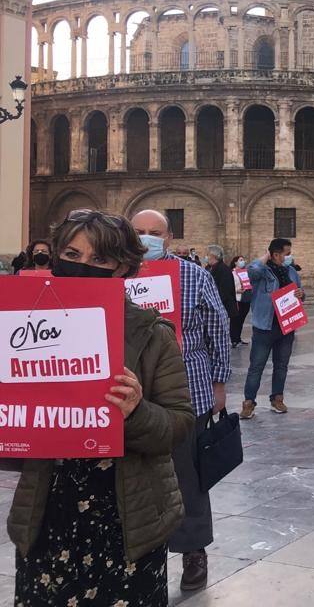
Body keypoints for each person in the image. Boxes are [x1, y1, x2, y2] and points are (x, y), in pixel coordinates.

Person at [9, 209, 194, 606]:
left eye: (99, 260)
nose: (81, 267)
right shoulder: (20, 321)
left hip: (126, 515)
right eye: (71, 255)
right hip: (48, 511)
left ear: (123, 268)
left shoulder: (152, 334)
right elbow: (12, 443)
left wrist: (137, 410)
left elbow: (179, 424)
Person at [131, 210, 230, 592]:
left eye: (154, 233)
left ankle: (193, 552)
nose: (146, 239)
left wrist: (219, 384)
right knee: (136, 479)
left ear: (168, 238)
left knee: (188, 478)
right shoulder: (115, 273)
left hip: (188, 393)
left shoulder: (194, 275)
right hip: (132, 397)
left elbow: (217, 329)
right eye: (139, 232)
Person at [241, 238, 303, 418]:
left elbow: (299, 292)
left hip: (286, 326)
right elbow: (251, 270)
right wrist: (266, 256)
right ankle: (248, 402)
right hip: (265, 326)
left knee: (281, 365)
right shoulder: (262, 272)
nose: (290, 257)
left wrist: (301, 294)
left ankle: (277, 398)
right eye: (287, 254)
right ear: (275, 254)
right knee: (256, 366)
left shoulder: (291, 271)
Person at [206, 244, 239, 325]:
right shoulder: (211, 268)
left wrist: (214, 304)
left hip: (222, 307)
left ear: (213, 256)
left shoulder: (223, 269)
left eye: (207, 254)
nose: (206, 257)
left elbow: (224, 291)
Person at [229, 255, 252, 348]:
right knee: (235, 320)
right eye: (241, 260)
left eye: (243, 260)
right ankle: (234, 339)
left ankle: (238, 338)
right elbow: (229, 286)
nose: (243, 261)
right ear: (235, 262)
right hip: (238, 298)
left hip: (246, 298)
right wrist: (236, 290)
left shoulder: (246, 272)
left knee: (241, 320)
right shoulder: (232, 273)